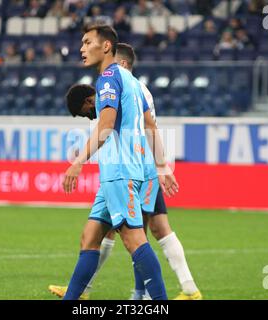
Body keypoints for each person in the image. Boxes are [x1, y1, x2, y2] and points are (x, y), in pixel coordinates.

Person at [49, 43, 202, 300]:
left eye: (89, 43)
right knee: (98, 235)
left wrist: (79, 161)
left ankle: (159, 293)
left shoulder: (119, 84)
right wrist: (162, 166)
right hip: (127, 168)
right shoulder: (133, 86)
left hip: (130, 168)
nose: (89, 117)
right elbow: (148, 125)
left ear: (118, 61)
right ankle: (87, 294)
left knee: (141, 235)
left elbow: (129, 127)